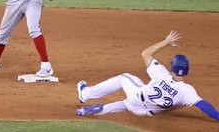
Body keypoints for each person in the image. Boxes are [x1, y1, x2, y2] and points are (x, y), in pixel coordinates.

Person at [76, 30, 219, 121]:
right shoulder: (187, 91)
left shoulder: (161, 74)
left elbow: (145, 54)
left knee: (124, 78)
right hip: (146, 113)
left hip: (137, 97)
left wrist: (166, 42)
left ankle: (86, 93)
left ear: (171, 67)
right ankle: (103, 109)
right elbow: (203, 105)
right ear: (187, 71)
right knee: (125, 104)